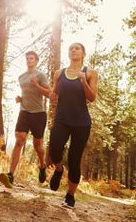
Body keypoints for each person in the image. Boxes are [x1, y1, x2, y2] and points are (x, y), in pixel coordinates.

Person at [48, 42, 98, 209]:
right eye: (71, 48)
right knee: (54, 150)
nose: (74, 50)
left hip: (81, 123)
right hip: (62, 119)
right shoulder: (59, 73)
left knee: (74, 159)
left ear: (83, 53)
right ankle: (59, 169)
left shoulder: (90, 73)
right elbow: (54, 94)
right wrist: (52, 98)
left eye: (77, 48)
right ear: (68, 53)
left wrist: (83, 82)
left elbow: (92, 98)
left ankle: (70, 196)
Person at [0, 51, 50, 188]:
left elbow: (49, 93)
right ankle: (11, 175)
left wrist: (37, 85)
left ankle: (42, 165)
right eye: (27, 58)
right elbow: (27, 93)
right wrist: (21, 99)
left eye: (31, 58)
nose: (29, 60)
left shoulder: (40, 75)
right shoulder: (21, 77)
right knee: (19, 140)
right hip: (24, 111)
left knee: (37, 146)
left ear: (36, 60)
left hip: (38, 113)